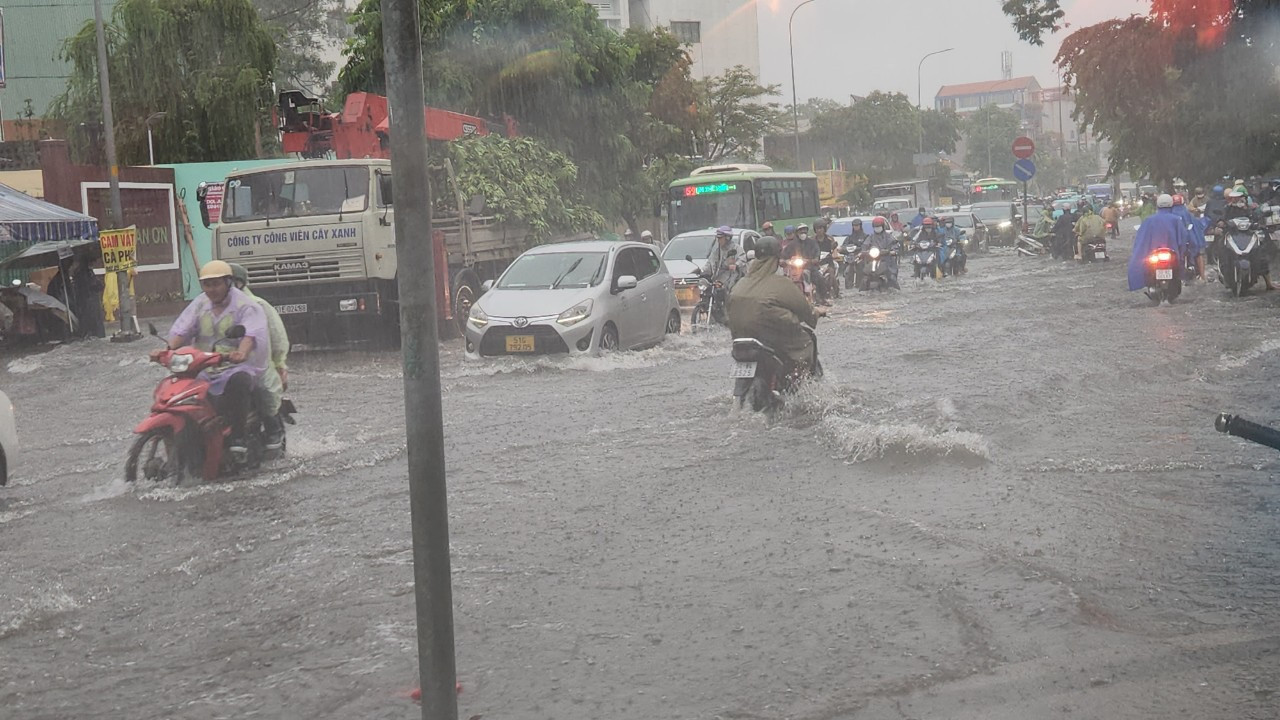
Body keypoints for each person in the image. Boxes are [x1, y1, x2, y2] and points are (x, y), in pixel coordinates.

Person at [149, 260, 269, 456]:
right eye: (207, 284)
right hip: (203, 365)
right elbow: (183, 329)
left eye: (216, 284)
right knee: (177, 387)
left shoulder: (245, 305)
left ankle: (238, 438)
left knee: (240, 382)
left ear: (228, 283)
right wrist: (166, 350)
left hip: (234, 366)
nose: (211, 289)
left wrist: (241, 353)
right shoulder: (200, 304)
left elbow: (251, 334)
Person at [727, 236, 826, 377]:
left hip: (741, 342)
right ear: (777, 259)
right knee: (807, 342)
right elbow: (805, 310)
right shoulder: (782, 283)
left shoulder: (741, 283)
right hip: (772, 341)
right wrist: (816, 313)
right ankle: (803, 382)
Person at [229, 263, 289, 450]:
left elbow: (277, 336)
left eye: (229, 282)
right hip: (220, 365)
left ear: (239, 283)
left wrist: (279, 364)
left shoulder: (258, 305)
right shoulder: (209, 307)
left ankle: (273, 429)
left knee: (263, 389)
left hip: (255, 364)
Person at [1128, 194, 1194, 292]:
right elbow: (1183, 237)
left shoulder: (1149, 220)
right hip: (1172, 252)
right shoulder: (1176, 219)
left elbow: (1141, 239)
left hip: (1155, 253)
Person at [1220, 189, 1276, 290]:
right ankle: (1224, 274)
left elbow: (1255, 217)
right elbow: (1221, 218)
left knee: (1261, 254)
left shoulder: (1248, 209)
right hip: (1232, 235)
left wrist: (1258, 222)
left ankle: (1269, 283)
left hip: (1248, 235)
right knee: (1222, 249)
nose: (1236, 199)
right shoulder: (1227, 209)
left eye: (1238, 197)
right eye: (1234, 198)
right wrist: (1221, 223)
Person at [46, 253, 106, 339]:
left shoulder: (82, 274)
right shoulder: (63, 279)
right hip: (78, 306)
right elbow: (64, 296)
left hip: (86, 304)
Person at [1171, 194, 1207, 280]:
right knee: (1199, 253)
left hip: (1174, 242)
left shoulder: (1169, 214)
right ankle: (1203, 277)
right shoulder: (1186, 213)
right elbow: (1196, 227)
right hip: (1189, 241)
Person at [859, 216, 901, 289]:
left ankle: (895, 289)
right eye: (875, 227)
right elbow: (865, 245)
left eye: (878, 226)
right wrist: (862, 252)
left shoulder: (889, 237)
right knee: (864, 277)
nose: (877, 228)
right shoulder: (871, 237)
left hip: (886, 261)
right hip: (872, 260)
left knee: (892, 278)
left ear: (883, 226)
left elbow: (894, 245)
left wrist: (892, 251)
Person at [703, 226, 742, 291]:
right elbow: (710, 263)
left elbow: (742, 260)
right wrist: (702, 272)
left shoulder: (737, 249)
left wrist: (736, 265)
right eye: (717, 238)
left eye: (720, 238)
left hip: (732, 281)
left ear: (727, 238)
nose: (718, 240)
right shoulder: (717, 252)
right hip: (717, 282)